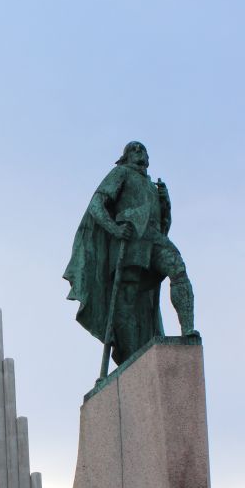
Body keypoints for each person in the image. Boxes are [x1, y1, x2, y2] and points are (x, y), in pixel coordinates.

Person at [64, 141, 198, 368]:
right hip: (131, 240)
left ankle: (187, 330)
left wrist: (166, 205)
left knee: (178, 270)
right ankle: (132, 357)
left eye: (143, 149)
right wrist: (114, 229)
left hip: (154, 239)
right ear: (125, 158)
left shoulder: (152, 186)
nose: (139, 152)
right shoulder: (121, 173)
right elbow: (97, 204)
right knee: (128, 297)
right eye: (133, 150)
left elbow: (164, 225)